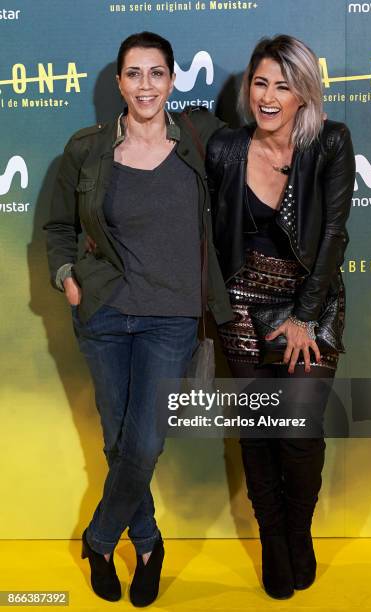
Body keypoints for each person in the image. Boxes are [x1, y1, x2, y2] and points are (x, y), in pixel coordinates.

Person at [44, 31, 232, 607]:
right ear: (120, 82)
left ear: (171, 80)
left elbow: (269, 143)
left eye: (156, 73)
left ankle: (100, 540)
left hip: (171, 318)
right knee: (117, 437)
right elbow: (58, 229)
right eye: (134, 74)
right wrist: (68, 280)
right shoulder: (86, 148)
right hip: (103, 313)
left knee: (144, 442)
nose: (145, 85)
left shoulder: (200, 141)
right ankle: (147, 543)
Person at [207, 35, 355, 599]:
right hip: (243, 308)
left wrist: (303, 317)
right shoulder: (225, 148)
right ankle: (272, 539)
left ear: (303, 94)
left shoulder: (331, 142)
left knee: (297, 431)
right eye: (260, 82)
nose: (268, 96)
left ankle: (299, 533)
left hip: (308, 307)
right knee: (257, 433)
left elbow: (333, 236)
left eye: (283, 85)